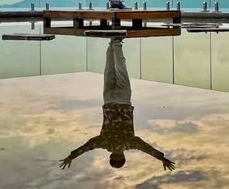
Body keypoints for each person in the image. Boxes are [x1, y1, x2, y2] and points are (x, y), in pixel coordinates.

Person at [58, 37, 176, 171]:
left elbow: (147, 149)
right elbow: (87, 146)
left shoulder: (129, 143)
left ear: (123, 157)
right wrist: (71, 156)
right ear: (111, 157)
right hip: (108, 101)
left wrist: (162, 158)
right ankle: (111, 43)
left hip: (123, 101)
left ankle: (117, 43)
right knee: (109, 70)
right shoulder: (103, 143)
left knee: (121, 70)